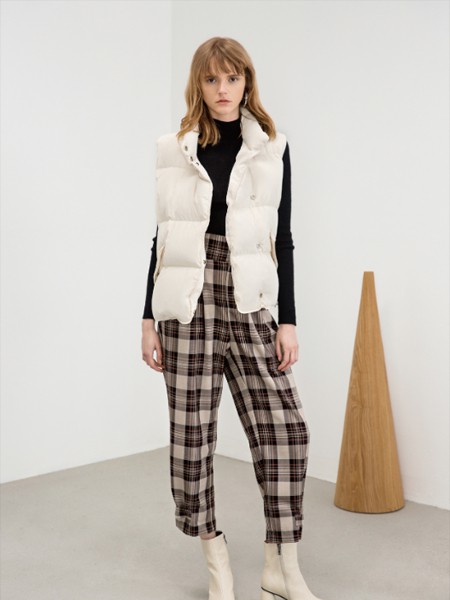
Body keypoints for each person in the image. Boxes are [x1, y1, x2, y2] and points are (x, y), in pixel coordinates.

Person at [141, 37, 323, 600]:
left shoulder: (272, 148)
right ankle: (216, 560)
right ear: (198, 84)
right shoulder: (172, 149)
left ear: (247, 83)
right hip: (187, 304)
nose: (223, 90)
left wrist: (287, 320)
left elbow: (282, 238)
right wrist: (147, 319)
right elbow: (162, 240)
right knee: (191, 437)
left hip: (248, 298)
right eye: (212, 79)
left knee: (286, 431)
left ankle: (281, 566)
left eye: (233, 78)